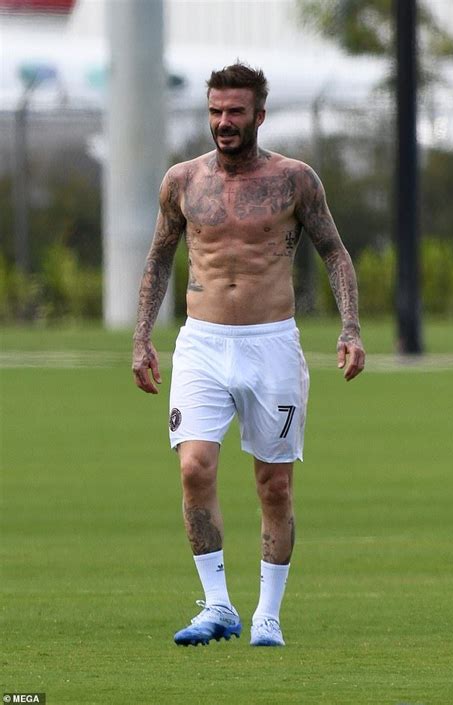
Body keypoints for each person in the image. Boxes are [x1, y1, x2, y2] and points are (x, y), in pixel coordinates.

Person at [132, 62, 365, 648]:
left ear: (259, 115)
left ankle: (268, 614)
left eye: (235, 112)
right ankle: (216, 605)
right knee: (193, 467)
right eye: (215, 111)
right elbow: (160, 257)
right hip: (202, 344)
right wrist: (141, 338)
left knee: (274, 485)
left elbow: (334, 252)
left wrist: (351, 327)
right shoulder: (183, 181)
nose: (223, 122)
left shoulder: (294, 180)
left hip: (271, 345)